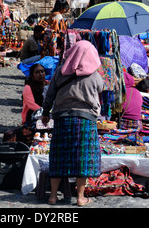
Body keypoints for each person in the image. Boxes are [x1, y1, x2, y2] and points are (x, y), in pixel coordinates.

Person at [41, 40, 104, 206]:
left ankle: (53, 196)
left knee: (58, 157)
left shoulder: (60, 73)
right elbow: (101, 89)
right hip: (85, 120)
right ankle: (80, 197)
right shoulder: (95, 76)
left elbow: (50, 95)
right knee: (82, 158)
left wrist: (45, 113)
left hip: (62, 119)